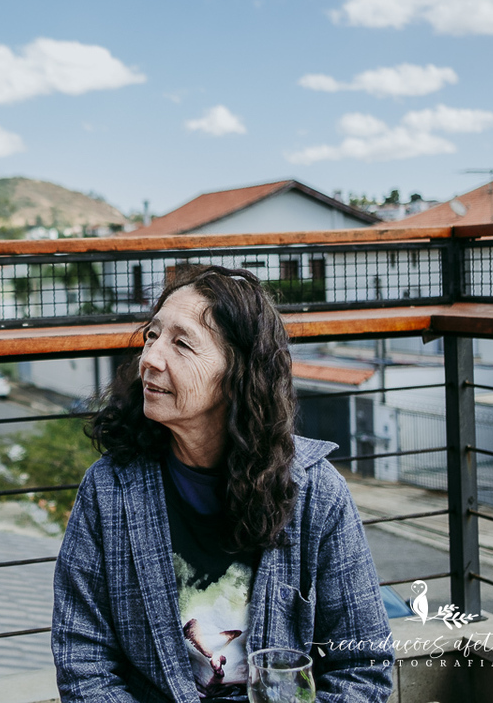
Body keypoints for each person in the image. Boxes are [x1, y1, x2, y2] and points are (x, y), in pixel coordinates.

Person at [51, 265, 393, 702]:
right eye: (152, 336)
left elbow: (362, 663)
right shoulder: (110, 491)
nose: (150, 359)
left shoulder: (316, 492)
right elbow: (83, 661)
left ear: (238, 375)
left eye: (182, 344)